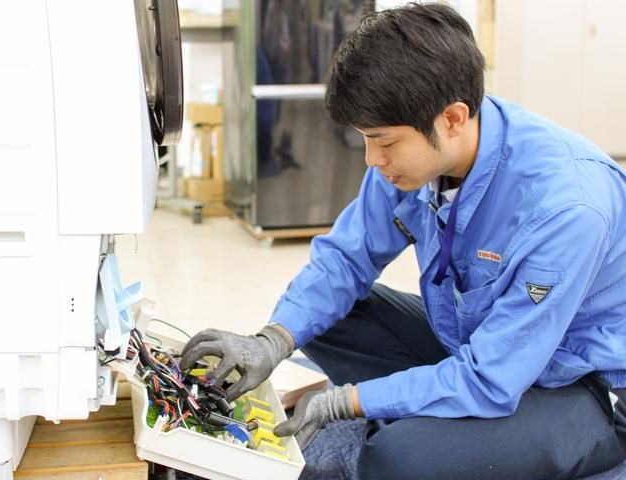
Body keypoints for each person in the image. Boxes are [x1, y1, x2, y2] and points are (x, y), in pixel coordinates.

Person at [180, 3, 626, 479]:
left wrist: (346, 402)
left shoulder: (566, 208)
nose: (372, 159)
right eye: (366, 139)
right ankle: (432, 410)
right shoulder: (420, 158)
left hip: (579, 388)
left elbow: (492, 378)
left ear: (452, 119)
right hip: (483, 345)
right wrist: (272, 341)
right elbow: (345, 259)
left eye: (385, 141)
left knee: (398, 459)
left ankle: (576, 444)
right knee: (323, 313)